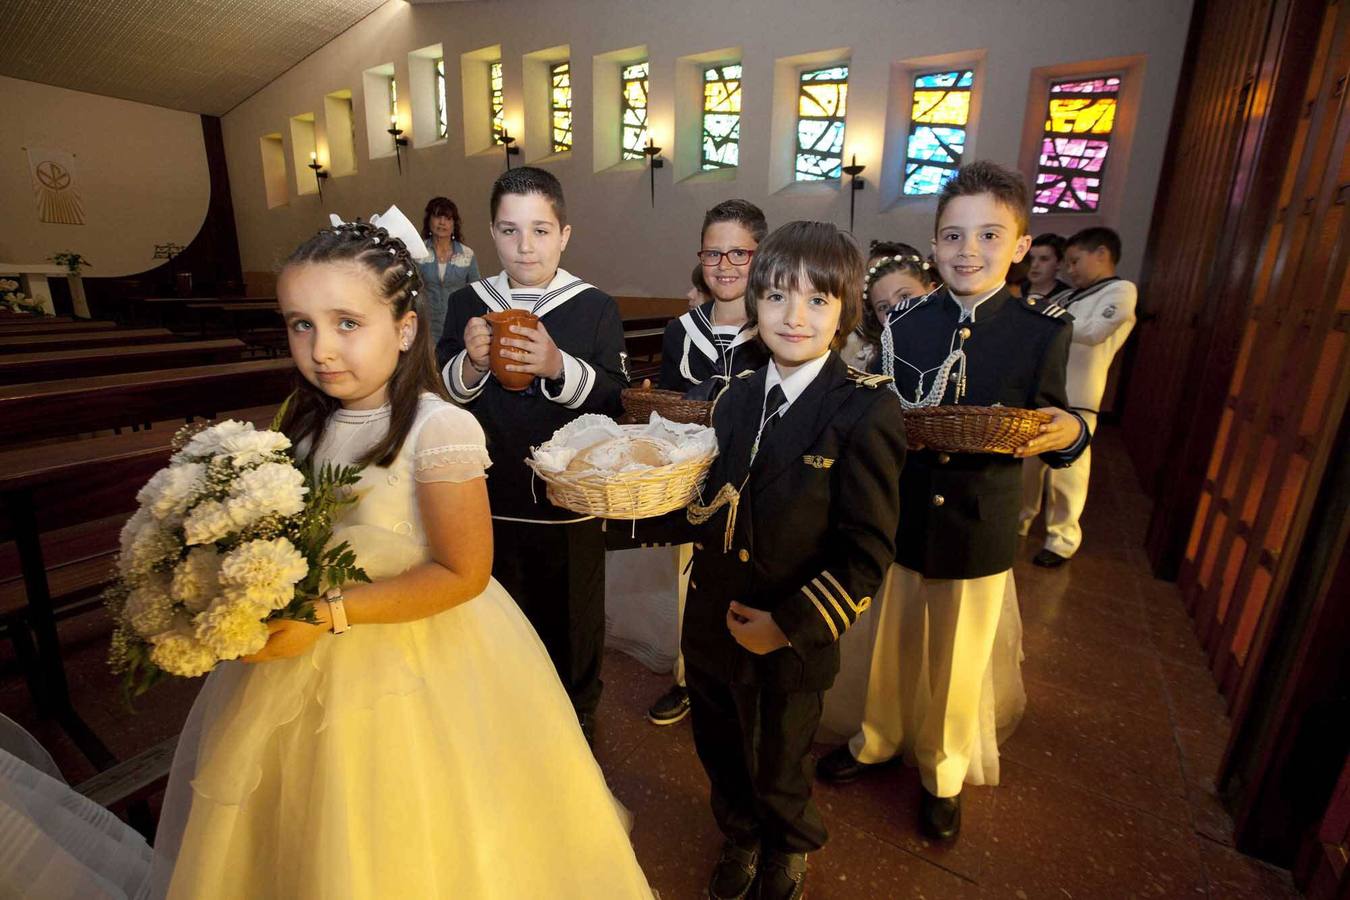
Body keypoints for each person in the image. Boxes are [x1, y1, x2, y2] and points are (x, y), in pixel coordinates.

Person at [148, 211, 654, 898]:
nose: (321, 348)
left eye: (347, 323)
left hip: (414, 658)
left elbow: (463, 571)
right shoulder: (301, 420)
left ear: (406, 328)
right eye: (301, 324)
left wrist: (325, 613)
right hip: (300, 661)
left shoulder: (438, 428)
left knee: (410, 821)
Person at [817, 161, 1089, 843]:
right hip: (904, 511)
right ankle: (877, 739)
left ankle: (943, 773)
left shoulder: (1041, 329)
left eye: (990, 236)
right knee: (892, 643)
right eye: (953, 236)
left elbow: (1056, 421)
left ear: (1021, 246)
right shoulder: (906, 321)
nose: (970, 251)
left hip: (980, 521)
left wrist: (1072, 433)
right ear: (934, 245)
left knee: (959, 658)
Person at [644, 221, 905, 899]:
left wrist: (787, 624)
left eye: (818, 301)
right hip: (711, 619)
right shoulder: (733, 398)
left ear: (845, 313)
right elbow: (708, 502)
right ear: (754, 301)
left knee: (781, 761)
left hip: (788, 634)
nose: (795, 316)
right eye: (780, 296)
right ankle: (739, 831)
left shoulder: (864, 410)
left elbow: (868, 551)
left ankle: (788, 842)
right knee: (722, 747)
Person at [436, 167, 627, 743]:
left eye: (541, 231)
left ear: (564, 235)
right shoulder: (468, 301)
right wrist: (469, 362)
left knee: (571, 617)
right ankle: (503, 722)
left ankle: (576, 724)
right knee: (495, 613)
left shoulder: (594, 307)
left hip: (567, 500)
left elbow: (617, 395)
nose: (526, 246)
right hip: (486, 493)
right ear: (492, 234)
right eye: (510, 230)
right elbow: (443, 391)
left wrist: (555, 365)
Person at [1020, 226, 1137, 567]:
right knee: (1029, 465)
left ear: (1101, 254)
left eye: (1075, 261)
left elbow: (1094, 331)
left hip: (1078, 396)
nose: (1069, 270)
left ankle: (1062, 539)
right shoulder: (1071, 296)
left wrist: (1043, 316)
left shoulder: (1120, 291)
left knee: (1066, 474)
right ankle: (1021, 522)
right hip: (1044, 394)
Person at [659, 199, 770, 399]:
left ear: (762, 257)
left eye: (738, 253)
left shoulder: (775, 332)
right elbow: (667, 406)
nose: (724, 265)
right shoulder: (680, 331)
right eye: (712, 254)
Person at [842, 249, 938, 370]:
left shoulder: (959, 341)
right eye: (883, 307)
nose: (895, 310)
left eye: (904, 296)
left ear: (932, 291)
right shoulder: (877, 368)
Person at [418, 196, 480, 345]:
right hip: (426, 326)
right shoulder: (418, 253)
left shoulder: (467, 254)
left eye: (448, 218)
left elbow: (476, 291)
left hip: (458, 325)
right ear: (429, 220)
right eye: (438, 216)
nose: (442, 222)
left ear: (454, 224)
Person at [1023, 232, 1072, 302]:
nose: (1034, 265)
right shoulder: (1014, 290)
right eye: (1031, 259)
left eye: (1044, 259)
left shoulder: (1067, 298)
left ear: (1059, 264)